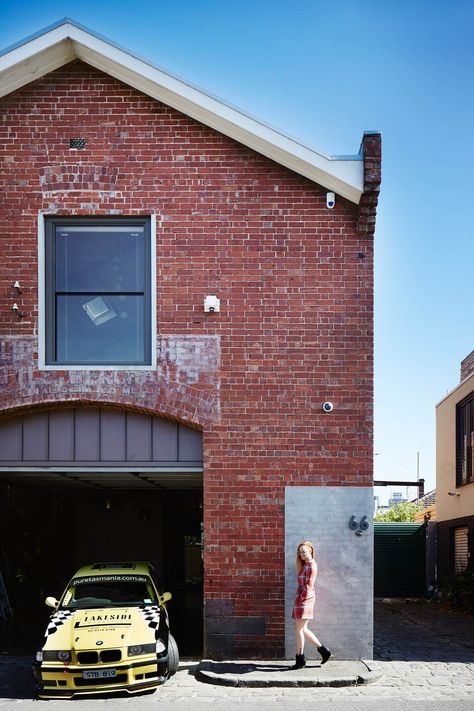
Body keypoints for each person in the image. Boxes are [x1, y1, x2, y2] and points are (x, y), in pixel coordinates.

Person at [290, 540, 331, 669]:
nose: (302, 554)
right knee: (302, 629)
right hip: (302, 599)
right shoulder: (306, 565)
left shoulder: (312, 565)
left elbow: (308, 586)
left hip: (305, 599)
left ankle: (300, 659)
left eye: (304, 551)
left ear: (310, 551)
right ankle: (324, 651)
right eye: (300, 552)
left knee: (299, 630)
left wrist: (300, 599)